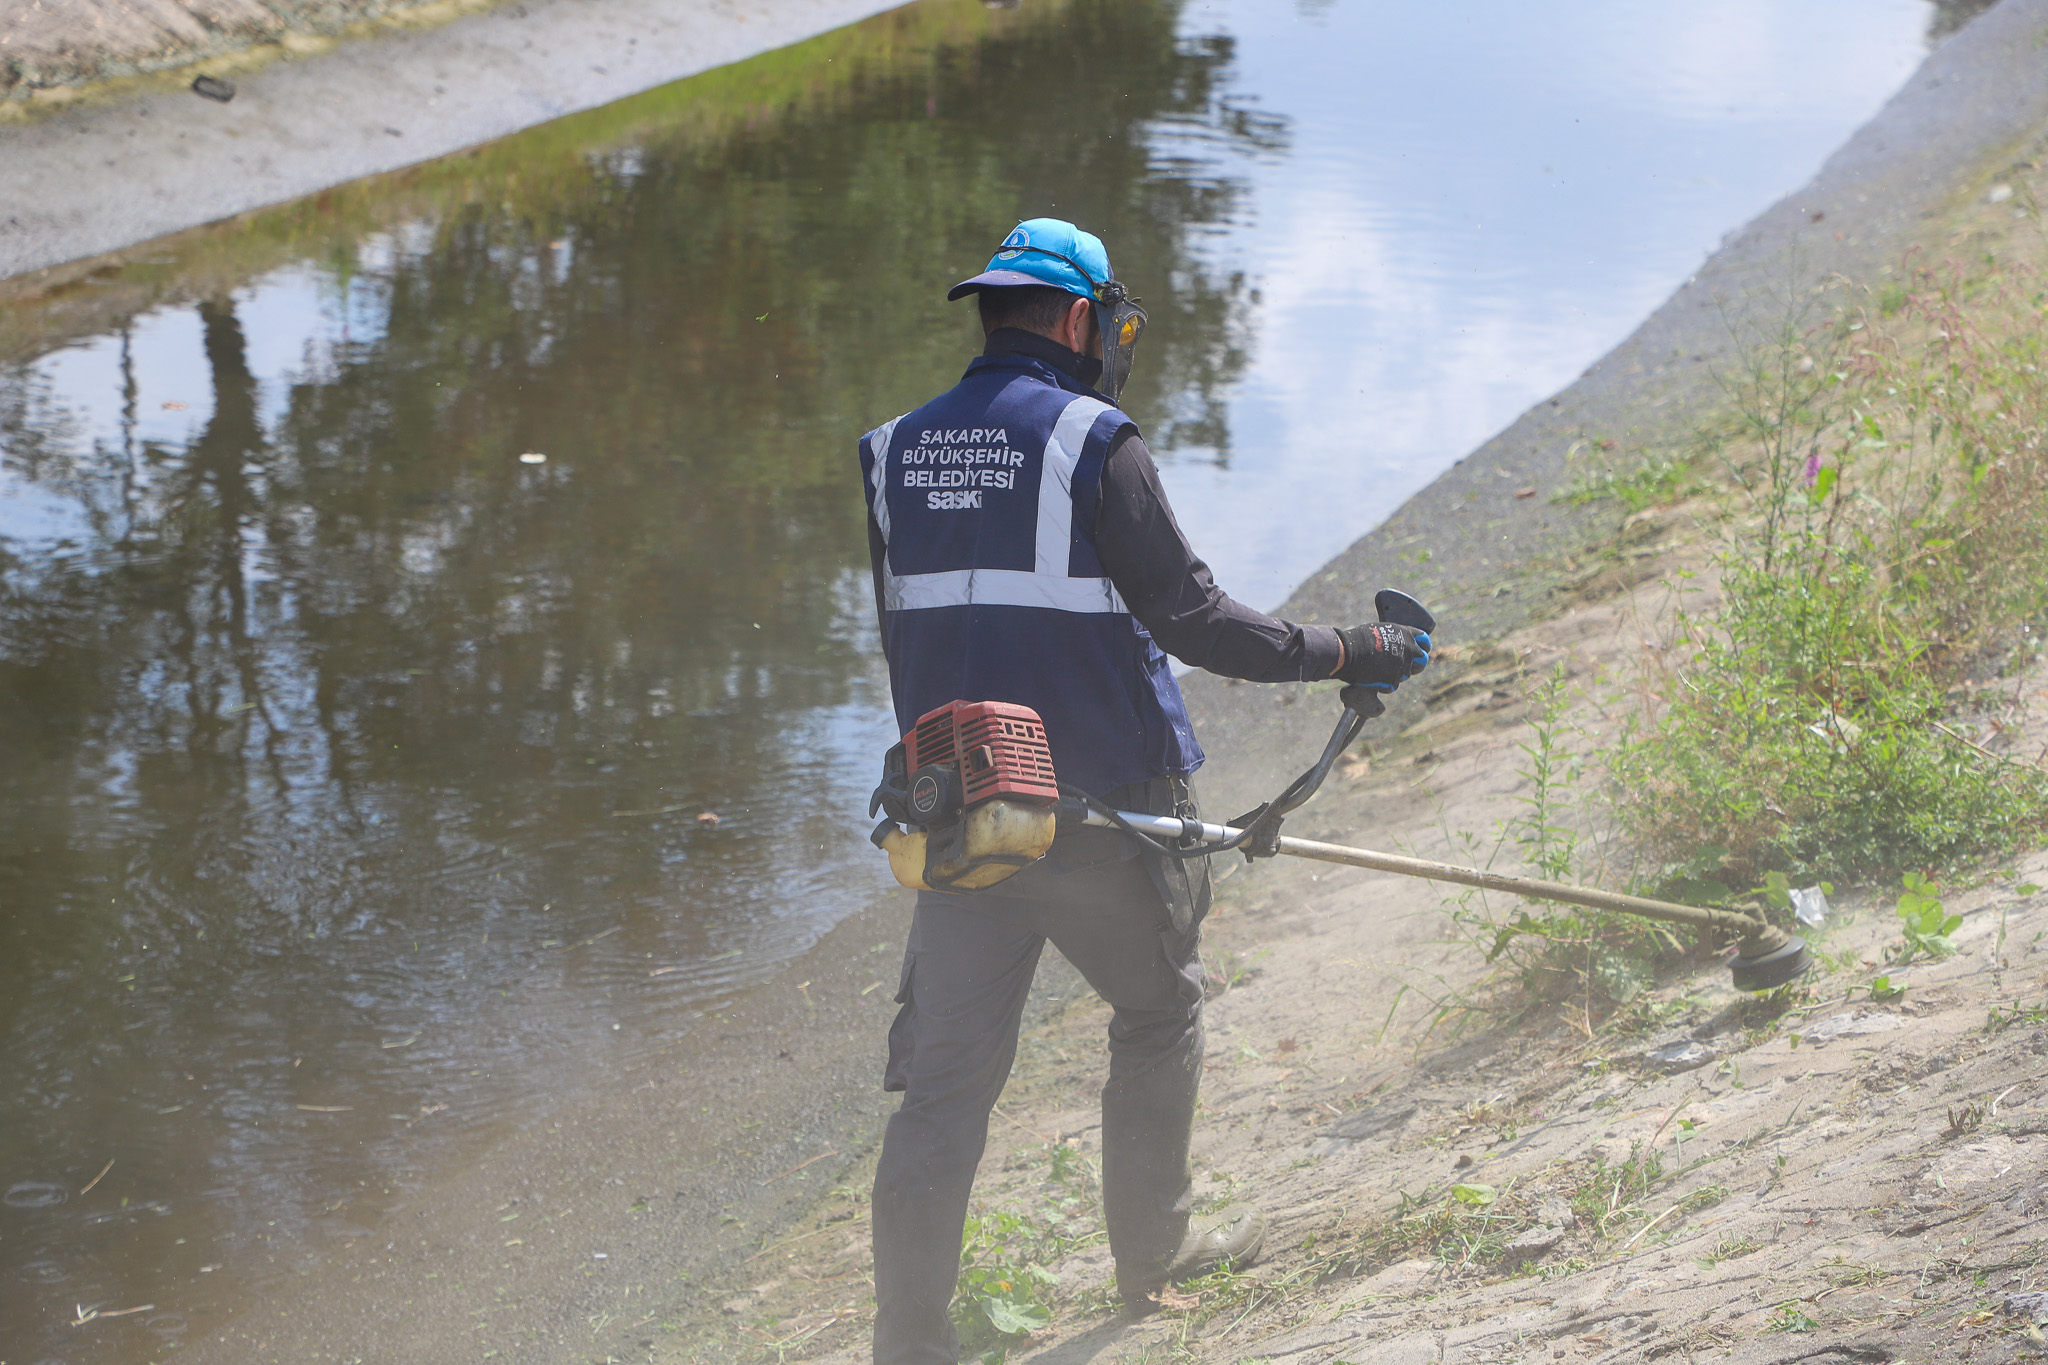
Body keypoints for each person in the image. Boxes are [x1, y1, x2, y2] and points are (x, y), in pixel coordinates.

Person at [857, 218, 1430, 1364]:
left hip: (958, 812)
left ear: (991, 315)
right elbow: (1194, 620)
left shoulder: (890, 449)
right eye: (1110, 324)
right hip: (1100, 820)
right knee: (1157, 1013)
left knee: (940, 1097)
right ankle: (1151, 1261)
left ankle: (908, 1346)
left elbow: (917, 633)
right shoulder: (1090, 439)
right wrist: (1346, 649)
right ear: (1081, 320)